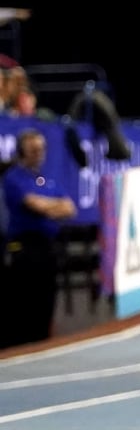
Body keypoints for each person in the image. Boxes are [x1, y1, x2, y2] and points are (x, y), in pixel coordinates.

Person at [1, 128, 78, 349]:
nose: (39, 154)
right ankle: (20, 346)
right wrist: (53, 206)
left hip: (47, 247)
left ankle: (42, 342)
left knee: (47, 298)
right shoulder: (14, 178)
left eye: (41, 149)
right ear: (22, 152)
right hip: (24, 247)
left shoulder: (46, 179)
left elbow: (70, 208)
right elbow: (35, 205)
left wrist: (49, 206)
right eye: (33, 150)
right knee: (25, 300)